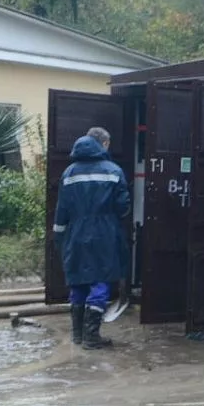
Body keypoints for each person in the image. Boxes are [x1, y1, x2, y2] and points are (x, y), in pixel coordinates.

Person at [53, 126, 130, 349]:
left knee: (78, 282)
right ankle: (91, 337)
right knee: (100, 280)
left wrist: (59, 238)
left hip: (75, 233)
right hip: (104, 233)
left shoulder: (69, 173)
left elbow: (61, 210)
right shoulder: (114, 171)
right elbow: (123, 206)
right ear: (104, 144)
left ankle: (78, 335)